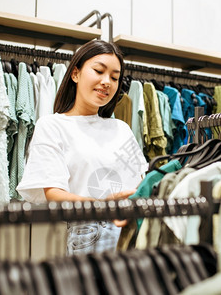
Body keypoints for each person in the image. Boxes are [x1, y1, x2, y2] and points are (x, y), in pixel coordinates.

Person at [16, 40, 148, 255]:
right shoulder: (52, 126)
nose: (107, 82)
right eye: (98, 71)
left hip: (135, 231)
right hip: (88, 231)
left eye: (115, 77)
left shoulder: (122, 129)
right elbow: (54, 194)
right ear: (75, 74)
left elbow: (140, 181)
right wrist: (102, 206)